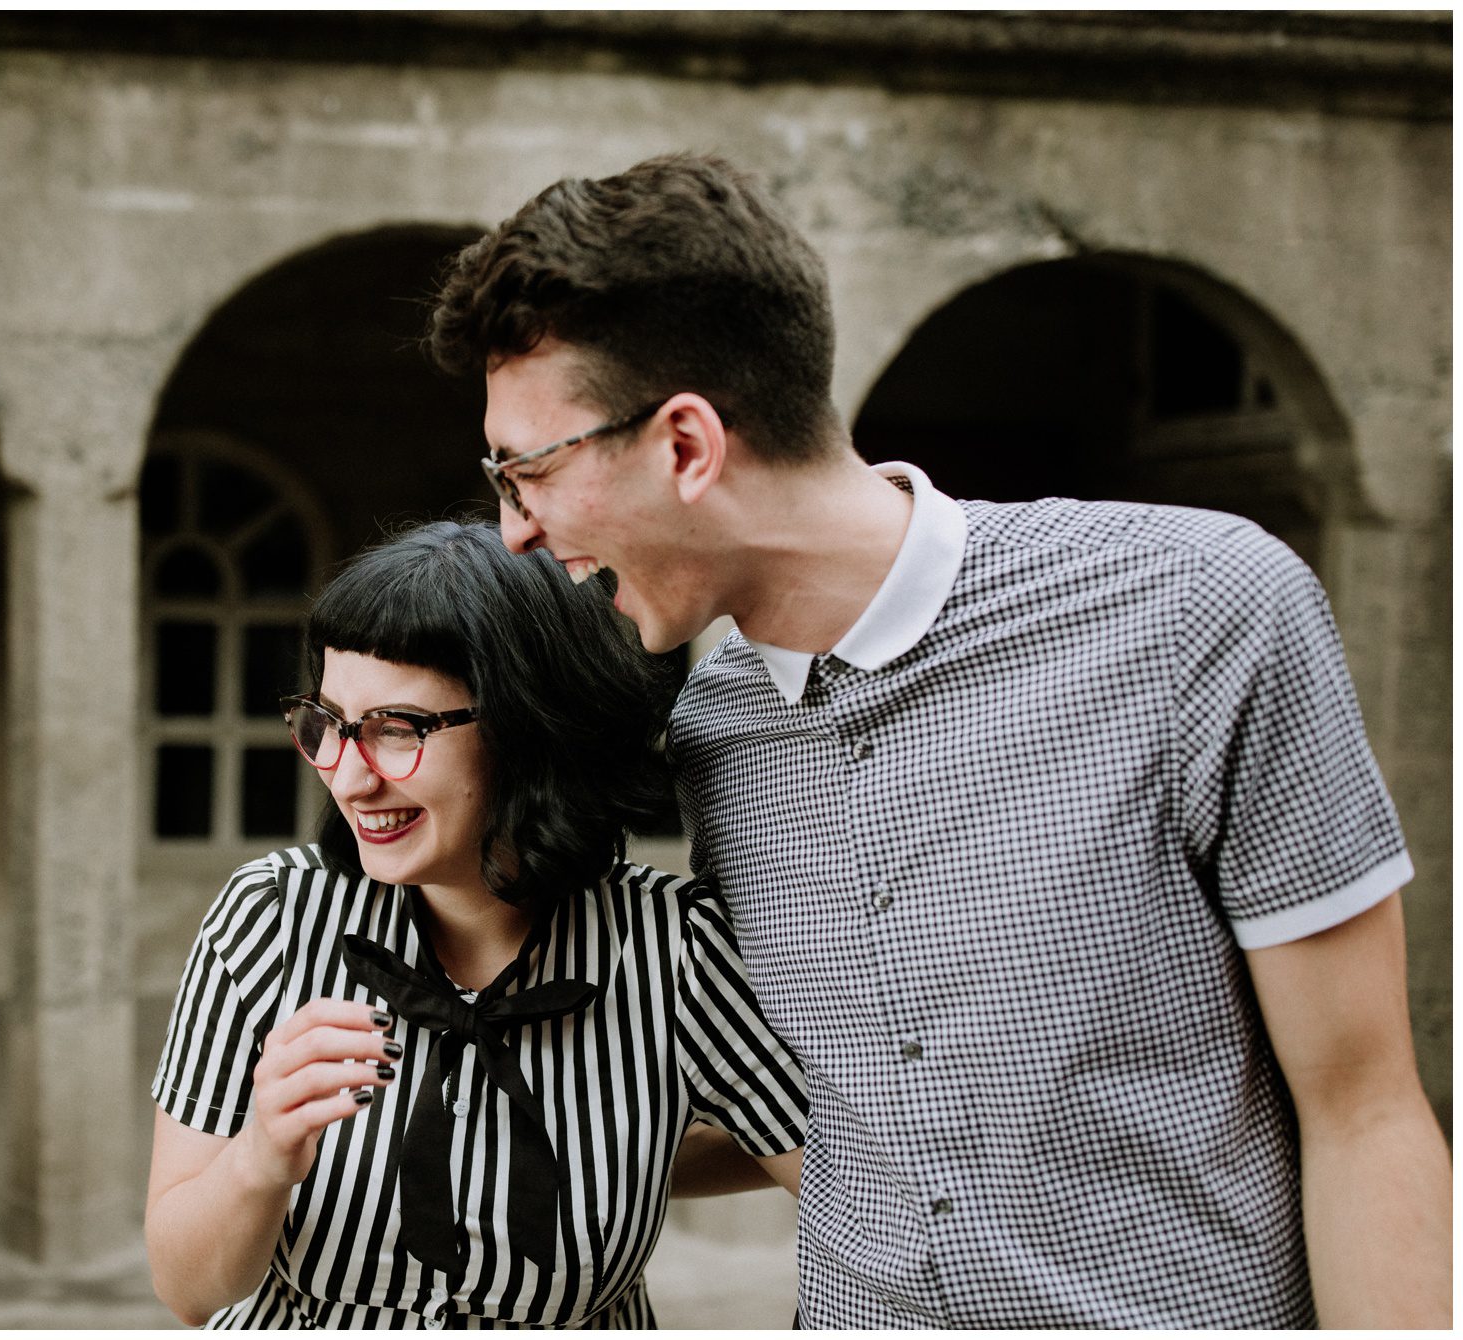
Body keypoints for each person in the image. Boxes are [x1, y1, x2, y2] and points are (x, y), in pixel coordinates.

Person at [424, 152, 1451, 1328]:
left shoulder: (1200, 610)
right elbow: (828, 1107)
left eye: (526, 472)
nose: (512, 532)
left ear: (686, 446)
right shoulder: (713, 729)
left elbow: (1363, 1108)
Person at [145, 519, 808, 1329]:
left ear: (529, 728)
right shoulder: (270, 919)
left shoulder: (671, 951)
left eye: (397, 729)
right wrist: (259, 1158)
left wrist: (631, 1152)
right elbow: (186, 1290)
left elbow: (856, 1176)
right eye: (328, 723)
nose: (349, 778)